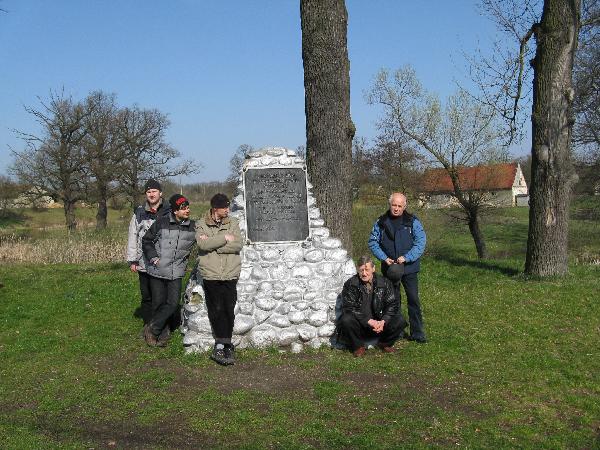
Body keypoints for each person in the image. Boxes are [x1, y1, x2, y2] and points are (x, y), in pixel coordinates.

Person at [368, 192, 427, 343]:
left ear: (404, 206)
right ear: (390, 204)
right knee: (393, 301)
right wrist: (384, 258)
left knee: (413, 299)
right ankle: (397, 330)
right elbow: (373, 242)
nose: (396, 208)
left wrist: (407, 257)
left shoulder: (412, 222)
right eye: (394, 205)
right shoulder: (381, 222)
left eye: (400, 206)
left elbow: (421, 242)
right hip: (390, 269)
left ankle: (417, 333)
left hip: (409, 268)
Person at [142, 194, 196, 347]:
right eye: (183, 208)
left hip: (176, 272)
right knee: (158, 303)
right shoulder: (161, 222)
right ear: (174, 211)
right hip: (157, 270)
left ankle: (151, 328)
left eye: (187, 207)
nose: (187, 210)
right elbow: (146, 240)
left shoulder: (193, 226)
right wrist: (153, 257)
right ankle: (160, 334)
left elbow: (204, 239)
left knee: (172, 304)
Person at [196, 193, 243, 366]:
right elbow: (202, 245)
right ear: (216, 208)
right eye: (225, 207)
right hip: (211, 273)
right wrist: (224, 238)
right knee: (216, 309)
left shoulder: (233, 223)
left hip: (230, 272)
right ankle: (220, 344)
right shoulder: (202, 224)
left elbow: (238, 244)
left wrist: (215, 246)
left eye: (228, 207)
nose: (228, 210)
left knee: (228, 308)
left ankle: (227, 343)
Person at [337, 256, 406, 357]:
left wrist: (383, 321)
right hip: (360, 325)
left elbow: (392, 305)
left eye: (367, 270)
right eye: (361, 270)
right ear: (358, 270)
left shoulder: (385, 283)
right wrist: (369, 321)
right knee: (346, 319)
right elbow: (349, 307)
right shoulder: (351, 284)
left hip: (380, 325)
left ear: (373, 269)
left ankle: (384, 343)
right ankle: (358, 346)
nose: (364, 273)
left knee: (400, 320)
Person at [126, 179, 168, 327]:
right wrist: (133, 260)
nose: (151, 194)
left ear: (160, 193)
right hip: (143, 261)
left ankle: (161, 325)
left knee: (161, 296)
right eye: (148, 192)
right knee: (147, 295)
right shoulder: (139, 213)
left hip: (162, 261)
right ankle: (148, 325)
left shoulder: (168, 210)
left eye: (154, 191)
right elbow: (133, 235)